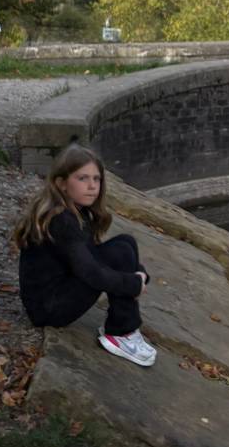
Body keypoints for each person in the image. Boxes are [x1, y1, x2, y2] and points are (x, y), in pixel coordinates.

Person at [13, 144, 156, 367]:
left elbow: (91, 257)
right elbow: (91, 272)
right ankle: (121, 331)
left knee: (125, 242)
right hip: (48, 309)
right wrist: (133, 284)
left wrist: (139, 275)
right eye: (82, 178)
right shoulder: (61, 220)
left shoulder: (76, 210)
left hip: (60, 291)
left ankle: (123, 327)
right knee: (119, 252)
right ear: (61, 183)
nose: (92, 186)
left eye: (96, 179)